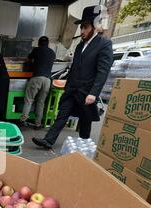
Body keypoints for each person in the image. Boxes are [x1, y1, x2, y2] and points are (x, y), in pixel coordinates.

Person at [32, 5, 113, 149]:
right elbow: (74, 68)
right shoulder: (79, 46)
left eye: (85, 27)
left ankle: (84, 145)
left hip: (86, 91)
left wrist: (94, 93)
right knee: (62, 114)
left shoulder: (104, 44)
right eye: (81, 27)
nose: (82, 31)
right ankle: (48, 140)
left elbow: (103, 71)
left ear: (94, 26)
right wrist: (66, 85)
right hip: (72, 89)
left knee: (85, 120)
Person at [21, 36, 56, 130]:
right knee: (41, 102)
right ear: (48, 43)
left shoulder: (36, 50)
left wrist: (32, 64)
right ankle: (37, 124)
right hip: (47, 80)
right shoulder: (52, 52)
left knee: (29, 100)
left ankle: (23, 120)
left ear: (39, 43)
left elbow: (28, 60)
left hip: (36, 78)